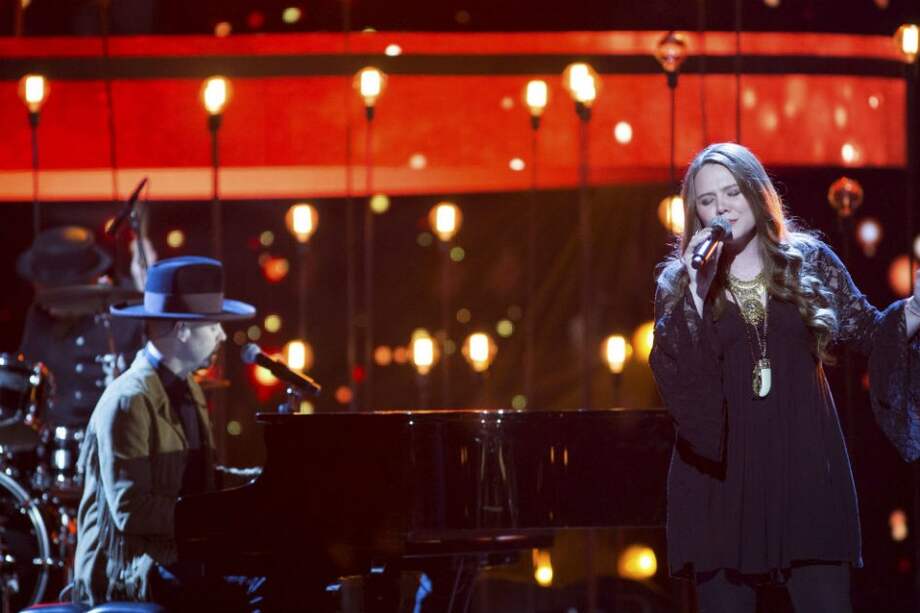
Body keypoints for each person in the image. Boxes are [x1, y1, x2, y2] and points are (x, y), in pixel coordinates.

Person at [649, 142, 920, 612]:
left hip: (805, 468)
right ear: (695, 213)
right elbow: (677, 380)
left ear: (756, 192)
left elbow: (871, 334)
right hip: (721, 481)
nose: (721, 208)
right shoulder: (680, 284)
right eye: (707, 200)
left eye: (732, 192)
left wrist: (914, 311)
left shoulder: (808, 260)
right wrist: (695, 292)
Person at [72, 256, 260, 609]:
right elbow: (132, 511)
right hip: (129, 567)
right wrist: (220, 516)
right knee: (258, 584)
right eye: (213, 326)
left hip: (174, 552)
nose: (222, 335)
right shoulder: (129, 400)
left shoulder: (189, 388)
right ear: (183, 329)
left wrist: (261, 483)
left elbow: (200, 482)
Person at [17, 225, 148, 430]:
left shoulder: (126, 313)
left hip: (113, 433)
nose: (45, 301)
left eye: (53, 294)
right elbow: (25, 378)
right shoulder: (38, 317)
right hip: (54, 436)